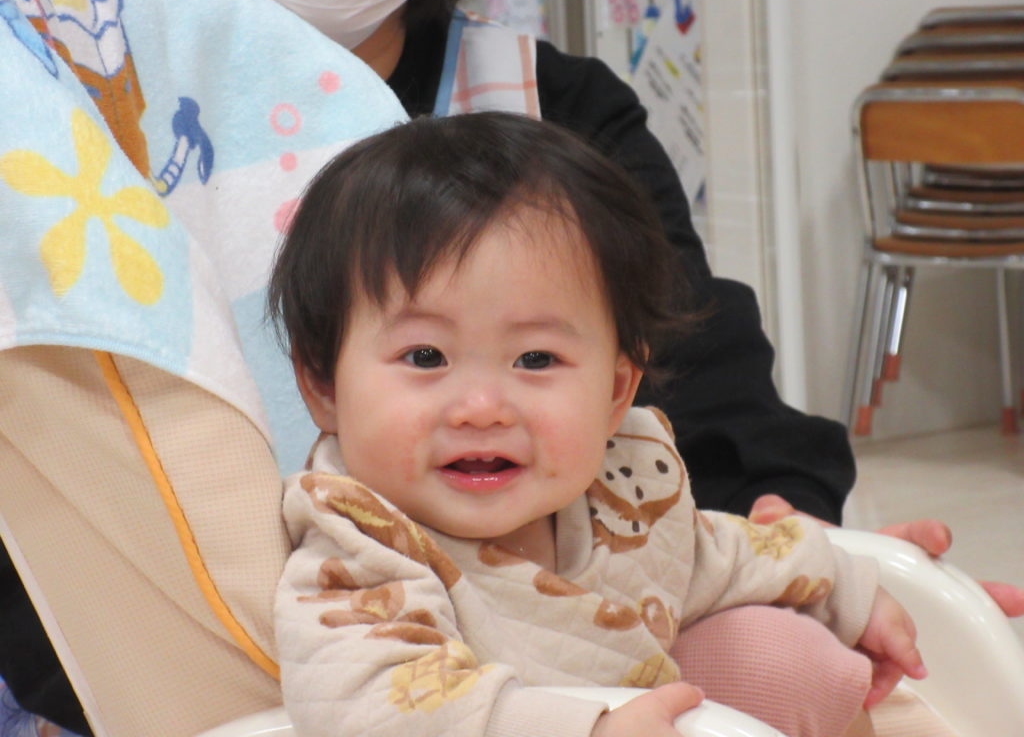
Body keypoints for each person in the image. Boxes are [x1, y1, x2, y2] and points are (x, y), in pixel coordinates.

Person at [268, 111, 925, 737]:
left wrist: (849, 590)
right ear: (324, 386)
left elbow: (719, 554)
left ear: (615, 391)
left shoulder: (621, 491)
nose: (482, 407)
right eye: (425, 357)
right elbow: (379, 711)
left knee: (797, 660)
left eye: (536, 359)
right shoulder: (360, 554)